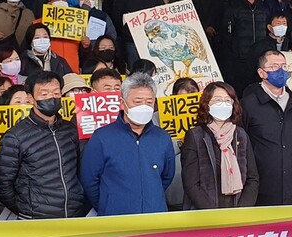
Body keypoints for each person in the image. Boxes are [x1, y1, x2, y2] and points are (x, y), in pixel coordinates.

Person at [80, 73, 176, 216]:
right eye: (137, 101)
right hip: (116, 220)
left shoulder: (162, 137)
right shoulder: (102, 137)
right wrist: (108, 204)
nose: (144, 107)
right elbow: (89, 180)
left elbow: (166, 176)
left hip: (155, 217)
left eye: (149, 102)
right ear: (122, 103)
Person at [0, 71, 86, 219]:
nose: (51, 97)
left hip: (74, 214)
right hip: (36, 219)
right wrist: (25, 209)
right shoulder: (15, 136)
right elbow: (3, 184)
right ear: (30, 98)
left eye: (56, 92)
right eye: (44, 94)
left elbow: (80, 169)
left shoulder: (70, 130)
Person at [241, 50, 292, 205]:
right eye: (274, 66)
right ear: (261, 73)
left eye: (284, 66)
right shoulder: (248, 105)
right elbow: (242, 145)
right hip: (261, 188)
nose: (281, 71)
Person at [181, 82, 260, 209]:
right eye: (217, 100)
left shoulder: (240, 134)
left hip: (237, 212)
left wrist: (242, 209)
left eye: (227, 100)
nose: (223, 104)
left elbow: (252, 178)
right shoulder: (195, 135)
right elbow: (191, 183)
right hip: (206, 215)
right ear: (206, 105)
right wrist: (213, 214)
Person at [224, 0, 267, 95]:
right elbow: (227, 34)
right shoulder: (234, 9)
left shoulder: (262, 8)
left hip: (260, 55)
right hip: (241, 57)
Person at [112, 0, 162, 64]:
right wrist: (126, 33)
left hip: (153, 40)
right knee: (134, 71)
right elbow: (116, 19)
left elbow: (162, 15)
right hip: (131, 42)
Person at [165, 77, 202, 211]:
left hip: (202, 192)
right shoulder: (157, 118)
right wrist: (180, 143)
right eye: (182, 100)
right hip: (172, 191)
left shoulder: (206, 118)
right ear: (171, 98)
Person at [76, 0, 119, 67]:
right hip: (75, 51)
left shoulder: (102, 15)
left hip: (97, 53)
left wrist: (103, 47)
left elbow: (112, 34)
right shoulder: (71, 14)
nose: (86, 1)